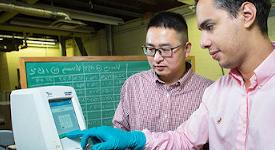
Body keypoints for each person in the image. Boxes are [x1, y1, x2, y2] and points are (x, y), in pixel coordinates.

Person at [65, 0, 275, 149]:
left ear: (247, 15)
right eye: (150, 49)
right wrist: (134, 139)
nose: (204, 42)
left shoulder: (205, 89)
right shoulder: (217, 93)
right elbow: (185, 139)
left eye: (209, 26)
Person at [113, 12, 213, 133]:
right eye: (150, 49)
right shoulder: (133, 85)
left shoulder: (209, 91)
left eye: (165, 50)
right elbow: (120, 131)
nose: (156, 58)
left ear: (186, 49)